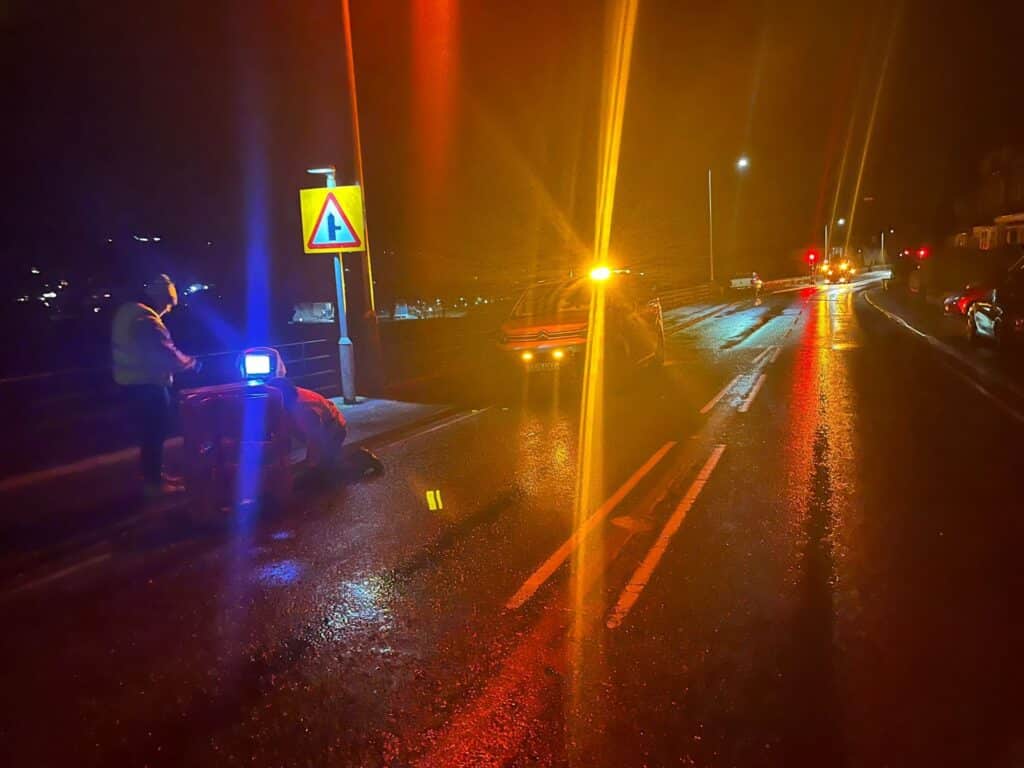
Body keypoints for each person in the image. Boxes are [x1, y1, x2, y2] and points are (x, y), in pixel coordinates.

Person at [111, 274, 199, 497]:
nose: (167, 310)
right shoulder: (146, 319)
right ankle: (154, 485)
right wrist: (191, 363)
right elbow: (164, 352)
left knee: (149, 435)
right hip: (148, 385)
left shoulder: (127, 312)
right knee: (155, 435)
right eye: (168, 304)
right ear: (160, 298)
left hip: (131, 384)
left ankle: (155, 477)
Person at [265, 377, 382, 477]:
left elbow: (315, 438)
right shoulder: (287, 398)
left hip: (333, 429)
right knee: (322, 465)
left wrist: (310, 464)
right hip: (316, 427)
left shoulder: (304, 408)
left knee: (329, 471)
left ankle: (363, 459)